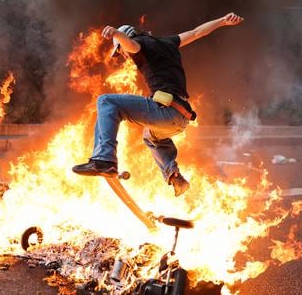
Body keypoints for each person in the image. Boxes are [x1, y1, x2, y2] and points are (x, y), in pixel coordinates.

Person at [72, 12, 244, 197]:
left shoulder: (137, 46)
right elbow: (196, 32)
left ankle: (104, 159)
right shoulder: (168, 43)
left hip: (165, 111)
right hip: (180, 117)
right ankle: (175, 176)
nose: (123, 55)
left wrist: (116, 34)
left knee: (105, 101)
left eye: (120, 51)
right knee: (151, 137)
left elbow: (131, 45)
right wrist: (222, 21)